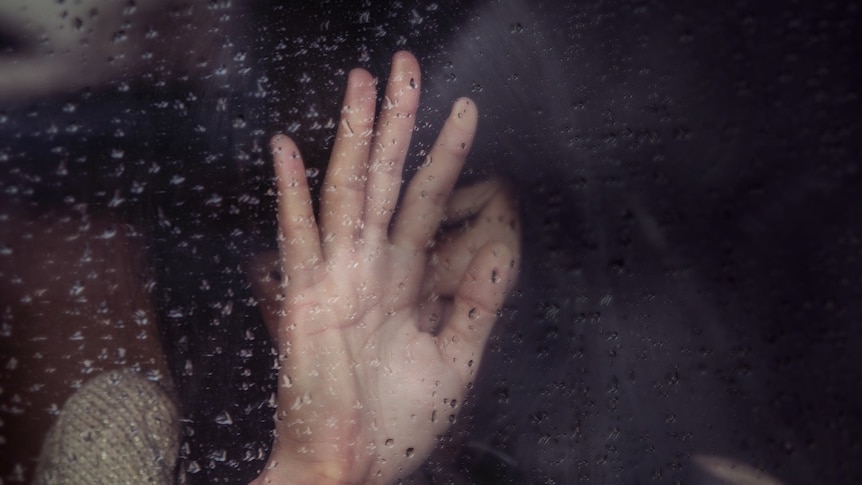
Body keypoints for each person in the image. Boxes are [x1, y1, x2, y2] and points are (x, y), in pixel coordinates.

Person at [33, 51, 521, 485]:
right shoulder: (128, 437)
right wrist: (321, 471)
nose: (396, 286)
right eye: (297, 272)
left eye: (453, 227)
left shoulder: (554, 443)